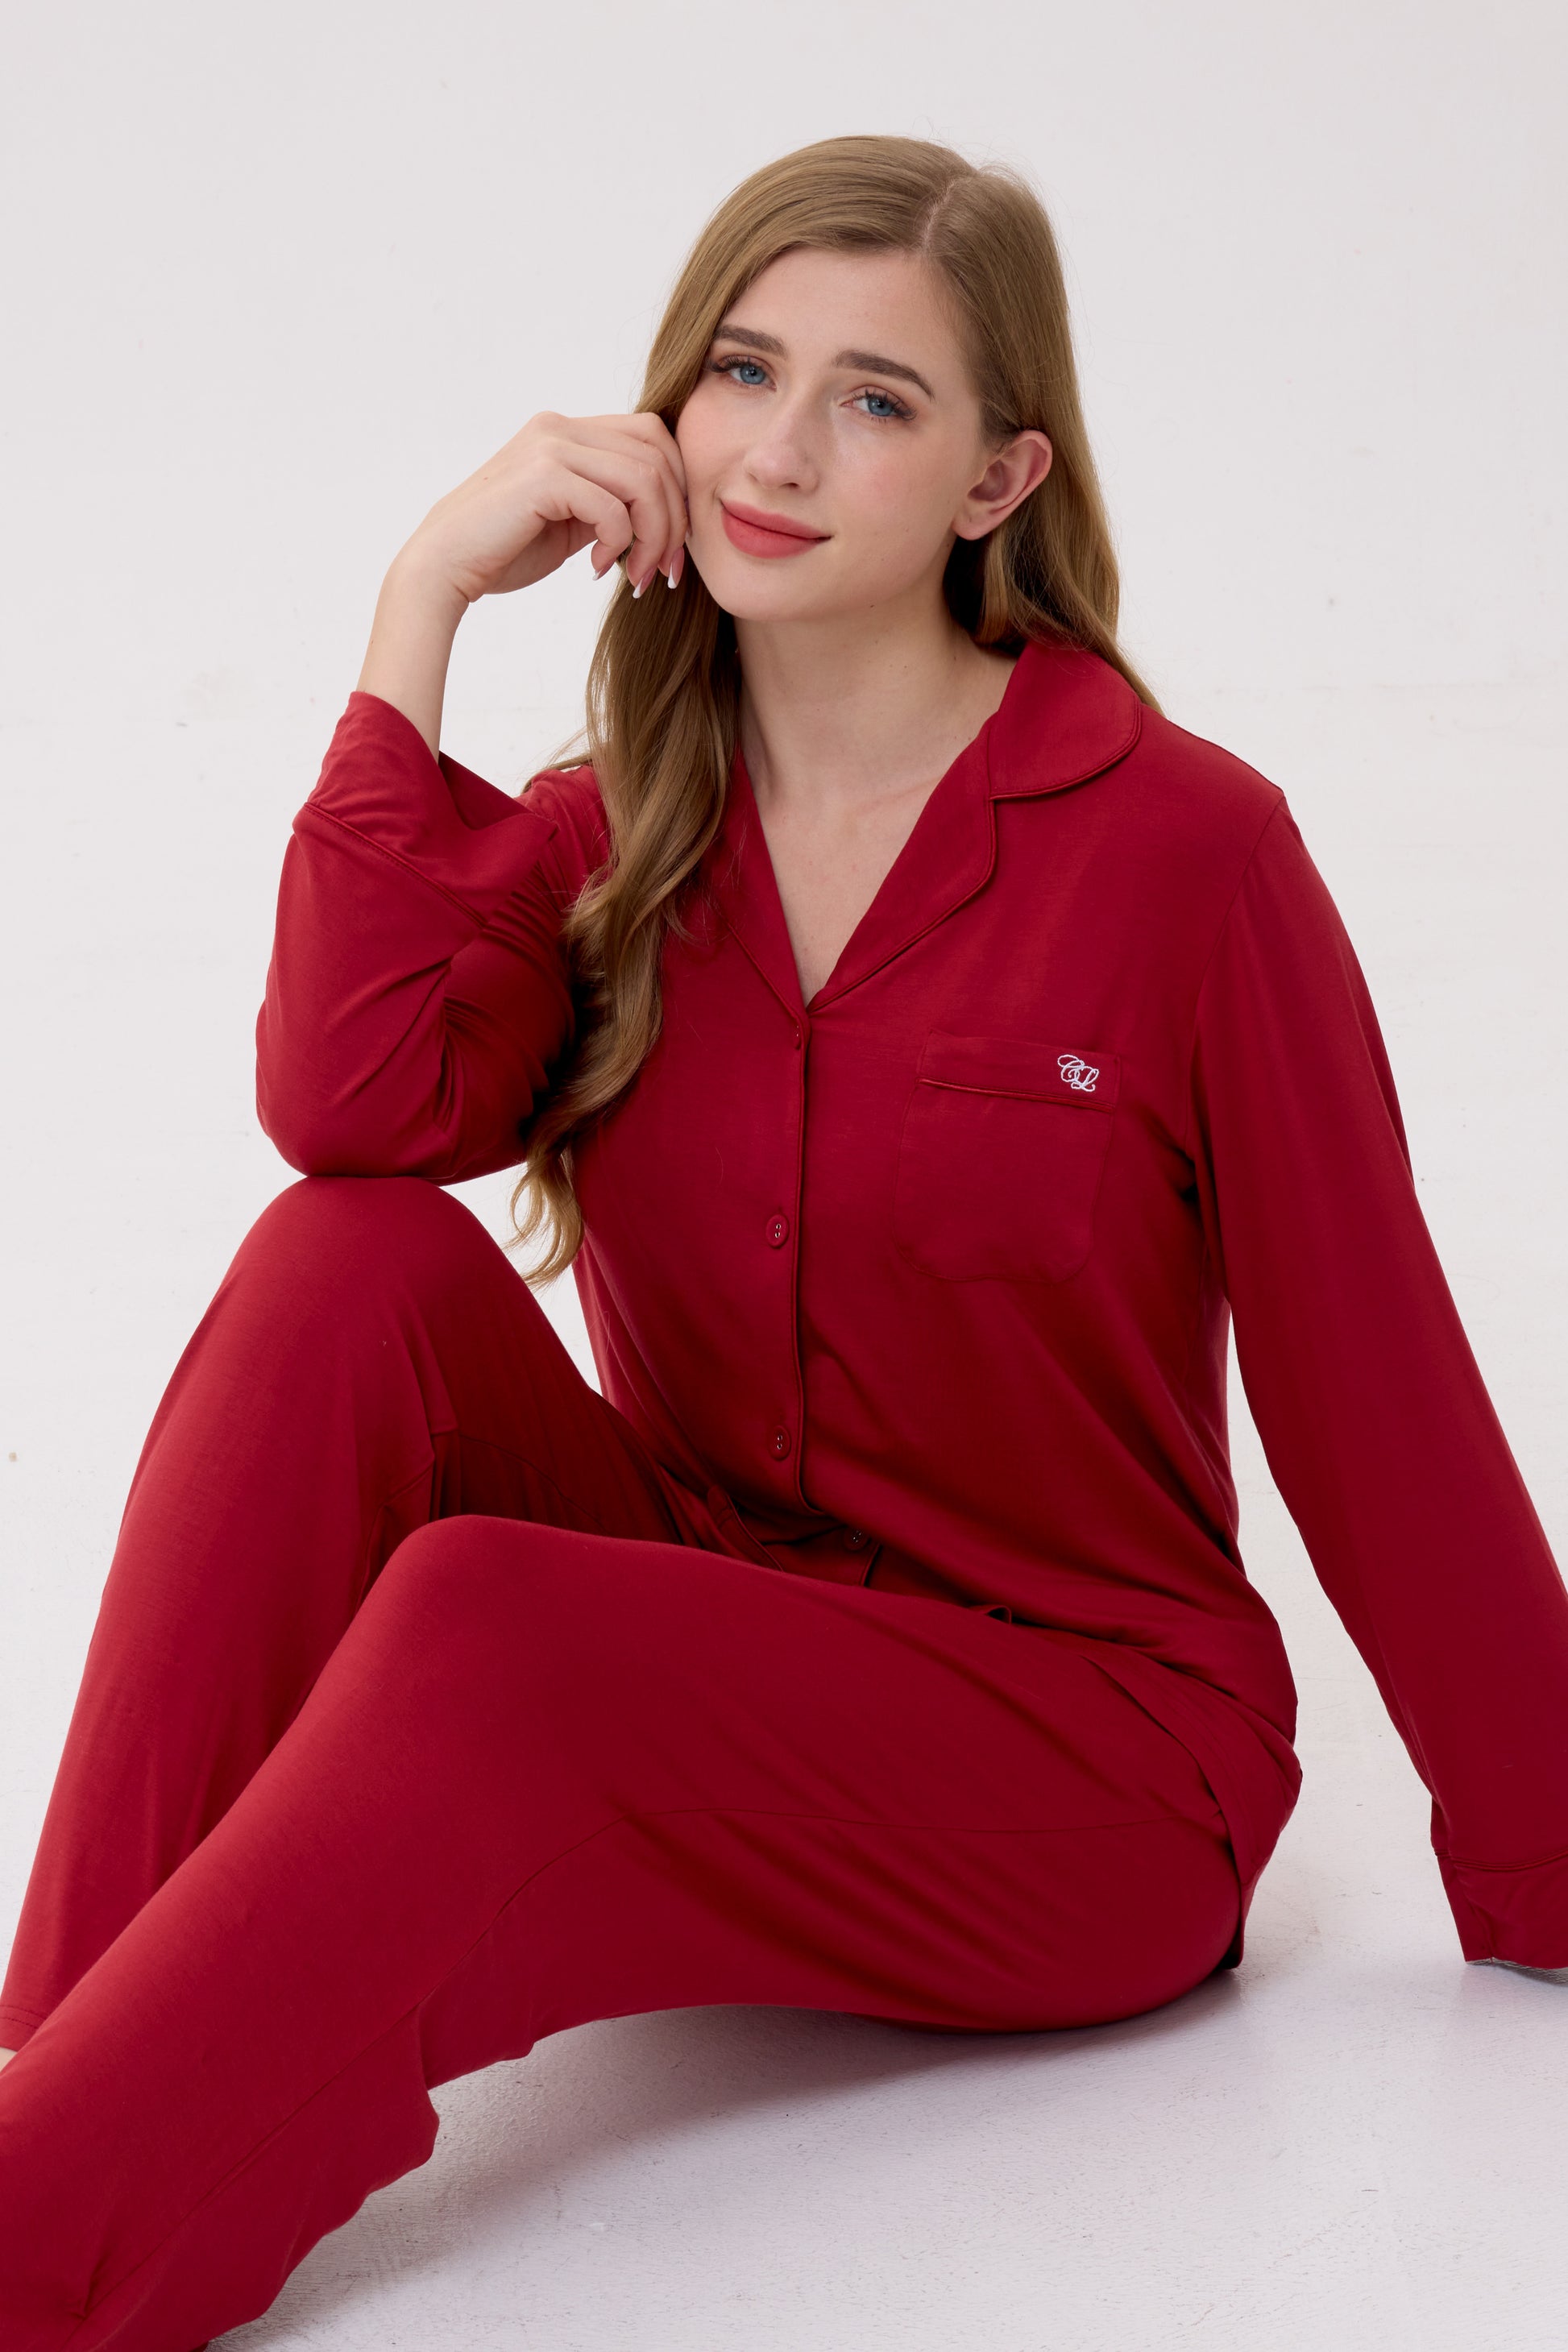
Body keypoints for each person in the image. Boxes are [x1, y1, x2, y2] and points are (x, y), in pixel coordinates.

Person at [1, 130, 1564, 2351]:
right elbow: (348, 1111)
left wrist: (1545, 1852)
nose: (777, 450)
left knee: (489, 1629)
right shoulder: (622, 827)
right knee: (335, 1273)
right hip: (705, 1618)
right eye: (742, 370)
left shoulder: (1188, 855)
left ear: (999, 480)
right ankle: (59, 2067)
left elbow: (1375, 1390)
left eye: (874, 399)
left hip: (1082, 1751)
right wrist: (419, 604)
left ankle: (39, 2250)